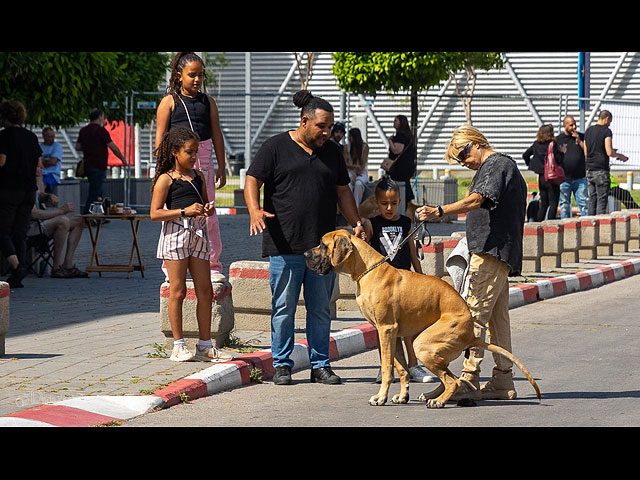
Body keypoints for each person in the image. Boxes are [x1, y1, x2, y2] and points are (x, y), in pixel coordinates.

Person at [245, 90, 366, 386]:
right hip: (284, 245)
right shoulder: (275, 147)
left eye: (330, 127)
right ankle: (283, 365)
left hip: (322, 249)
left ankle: (320, 365)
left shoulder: (333, 152)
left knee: (320, 309)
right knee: (284, 308)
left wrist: (356, 221)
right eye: (321, 127)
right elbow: (252, 179)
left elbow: (342, 191)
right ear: (304, 121)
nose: (327, 132)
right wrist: (254, 210)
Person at [417, 125, 527, 402]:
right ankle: (503, 380)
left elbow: (478, 199)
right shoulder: (494, 167)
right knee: (498, 319)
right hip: (496, 252)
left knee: (473, 315)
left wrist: (439, 211)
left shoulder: (497, 164)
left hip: (491, 253)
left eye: (463, 154)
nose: (463, 163)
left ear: (476, 143)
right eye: (458, 159)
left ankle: (468, 378)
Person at [150, 126, 233, 363]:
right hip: (176, 235)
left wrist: (207, 209)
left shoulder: (198, 176)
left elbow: (208, 204)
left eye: (196, 152)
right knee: (178, 290)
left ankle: (205, 345)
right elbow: (154, 213)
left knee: (205, 290)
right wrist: (183, 211)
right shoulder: (166, 179)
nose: (194, 157)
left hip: (198, 234)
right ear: (175, 152)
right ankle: (178, 345)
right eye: (189, 152)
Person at [155, 52, 227, 283]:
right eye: (192, 75)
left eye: (201, 75)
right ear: (178, 76)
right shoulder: (169, 102)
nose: (197, 80)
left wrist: (222, 166)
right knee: (173, 212)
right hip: (175, 165)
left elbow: (216, 134)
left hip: (203, 161)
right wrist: (161, 171)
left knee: (208, 214)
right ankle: (171, 268)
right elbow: (160, 138)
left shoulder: (208, 102)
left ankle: (212, 265)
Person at [363, 175, 437, 384]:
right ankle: (385, 368)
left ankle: (413, 365)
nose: (389, 208)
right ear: (376, 202)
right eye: (384, 203)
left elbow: (413, 253)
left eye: (394, 203)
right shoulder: (372, 224)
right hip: (382, 286)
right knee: (383, 328)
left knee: (409, 327)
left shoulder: (406, 222)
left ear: (400, 202)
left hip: (405, 284)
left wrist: (421, 278)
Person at [0, 100, 43, 289]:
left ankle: (17, 267)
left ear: (5, 117)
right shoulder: (31, 137)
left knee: (2, 231)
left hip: (9, 189)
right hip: (29, 190)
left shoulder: (4, 136)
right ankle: (18, 275)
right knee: (20, 232)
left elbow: (1, 162)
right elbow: (38, 165)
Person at [29, 185, 88, 279]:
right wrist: (61, 210)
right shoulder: (22, 183)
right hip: (29, 227)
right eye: (39, 168)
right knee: (63, 221)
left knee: (79, 220)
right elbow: (34, 213)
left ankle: (68, 265)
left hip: (40, 223)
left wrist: (48, 196)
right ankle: (56, 268)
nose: (42, 169)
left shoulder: (33, 179)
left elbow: (38, 194)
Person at [75, 109, 125, 215]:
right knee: (96, 192)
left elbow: (78, 146)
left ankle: (96, 215)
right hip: (98, 165)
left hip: (88, 165)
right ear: (100, 117)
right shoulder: (101, 131)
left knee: (96, 190)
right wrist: (122, 158)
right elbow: (113, 147)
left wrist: (88, 147)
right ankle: (89, 215)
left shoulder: (84, 130)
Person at [584, 110, 629, 215]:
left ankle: (590, 224)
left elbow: (586, 152)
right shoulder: (606, 131)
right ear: (607, 118)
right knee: (602, 201)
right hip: (601, 170)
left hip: (589, 169)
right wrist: (620, 156)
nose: (609, 124)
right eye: (610, 121)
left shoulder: (589, 130)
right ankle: (600, 226)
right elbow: (609, 151)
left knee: (592, 199)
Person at [522, 124, 565, 221]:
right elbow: (558, 159)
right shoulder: (552, 144)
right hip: (551, 177)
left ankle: (538, 224)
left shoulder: (536, 144)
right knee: (553, 202)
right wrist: (562, 152)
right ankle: (550, 223)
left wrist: (533, 165)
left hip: (541, 177)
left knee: (544, 203)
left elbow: (525, 155)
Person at [556, 116, 588, 218]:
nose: (574, 127)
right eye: (571, 125)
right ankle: (565, 226)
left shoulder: (581, 137)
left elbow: (587, 152)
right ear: (564, 125)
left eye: (575, 124)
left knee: (584, 203)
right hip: (564, 178)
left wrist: (579, 141)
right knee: (564, 204)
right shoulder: (559, 139)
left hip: (580, 178)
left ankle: (586, 225)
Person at [386, 115, 417, 214]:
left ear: (401, 123)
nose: (393, 122)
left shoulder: (401, 136)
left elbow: (396, 150)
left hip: (400, 168)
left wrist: (390, 141)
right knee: (404, 185)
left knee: (401, 187)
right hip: (406, 167)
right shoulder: (408, 135)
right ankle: (408, 204)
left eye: (396, 121)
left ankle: (405, 207)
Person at [343, 127, 369, 207]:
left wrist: (357, 173)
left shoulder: (365, 147)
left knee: (358, 184)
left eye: (350, 136)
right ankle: (349, 207)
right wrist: (355, 167)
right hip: (350, 172)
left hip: (361, 172)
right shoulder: (346, 147)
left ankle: (356, 207)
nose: (349, 138)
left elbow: (363, 165)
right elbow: (345, 163)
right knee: (349, 184)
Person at [40, 127, 64, 194]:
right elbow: (39, 162)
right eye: (49, 136)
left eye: (53, 136)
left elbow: (53, 162)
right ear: (44, 137)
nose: (52, 138)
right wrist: (47, 161)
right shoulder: (40, 147)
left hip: (52, 174)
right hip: (42, 173)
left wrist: (44, 161)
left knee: (43, 184)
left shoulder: (57, 146)